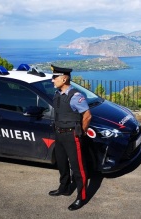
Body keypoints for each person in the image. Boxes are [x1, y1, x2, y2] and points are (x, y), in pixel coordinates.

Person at [48, 64, 92, 211]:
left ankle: (82, 197)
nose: (52, 80)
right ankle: (64, 188)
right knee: (61, 163)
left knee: (78, 168)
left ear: (64, 78)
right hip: (59, 134)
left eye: (55, 77)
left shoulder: (75, 96)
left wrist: (82, 132)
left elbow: (87, 115)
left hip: (72, 135)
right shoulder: (58, 94)